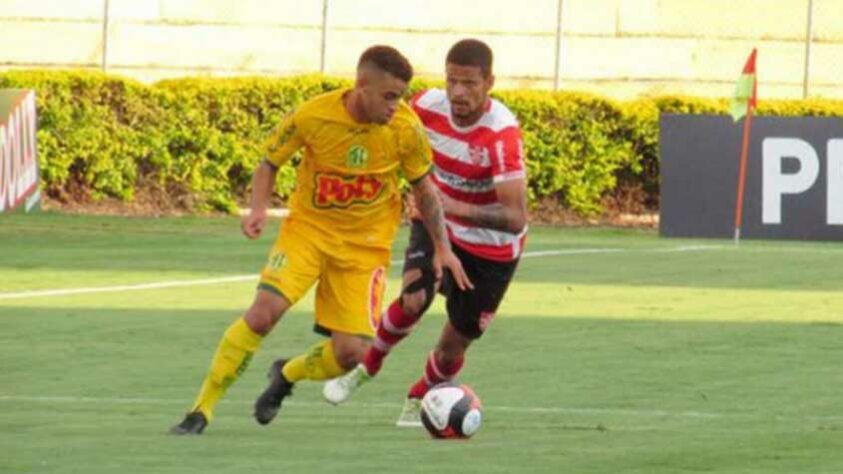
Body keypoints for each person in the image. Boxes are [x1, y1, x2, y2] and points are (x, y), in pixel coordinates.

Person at [170, 45, 471, 435]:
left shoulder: (406, 129)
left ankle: (286, 374)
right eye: (389, 96)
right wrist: (258, 207)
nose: (396, 105)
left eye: (400, 96)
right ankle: (201, 410)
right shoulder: (313, 115)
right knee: (262, 314)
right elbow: (269, 162)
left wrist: (443, 248)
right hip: (308, 234)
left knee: (351, 355)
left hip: (365, 249)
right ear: (362, 85)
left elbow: (425, 190)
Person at [323, 38, 528, 426]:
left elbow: (515, 216)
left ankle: (419, 397)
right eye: (452, 81)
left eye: (469, 84)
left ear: (490, 82)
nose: (458, 92)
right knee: (414, 299)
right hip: (437, 223)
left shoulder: (501, 135)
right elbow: (383, 131)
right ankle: (366, 367)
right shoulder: (423, 108)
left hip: (491, 250)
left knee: (453, 347)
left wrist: (454, 206)